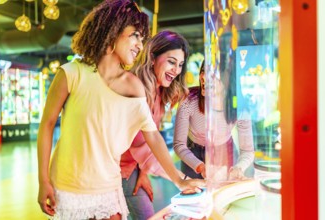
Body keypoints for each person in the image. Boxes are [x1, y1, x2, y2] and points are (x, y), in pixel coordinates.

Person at [37, 1, 204, 220]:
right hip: (67, 188)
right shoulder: (71, 73)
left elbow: (152, 135)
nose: (139, 44)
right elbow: (47, 125)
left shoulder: (133, 85)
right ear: (113, 30)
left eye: (141, 38)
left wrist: (179, 180)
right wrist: (43, 181)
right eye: (135, 35)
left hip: (107, 188)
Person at [120, 30, 190, 220]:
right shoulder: (133, 88)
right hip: (111, 171)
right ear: (152, 57)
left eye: (180, 65)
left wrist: (143, 171)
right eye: (171, 62)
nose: (176, 71)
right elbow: (141, 142)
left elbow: (149, 140)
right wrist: (181, 179)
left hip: (131, 168)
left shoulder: (159, 92)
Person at [173, 60, 254, 180]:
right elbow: (179, 145)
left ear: (228, 80)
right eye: (203, 71)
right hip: (192, 155)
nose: (204, 77)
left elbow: (247, 151)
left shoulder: (240, 107)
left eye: (212, 74)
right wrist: (199, 166)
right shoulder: (188, 99)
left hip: (226, 152)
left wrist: (239, 168)